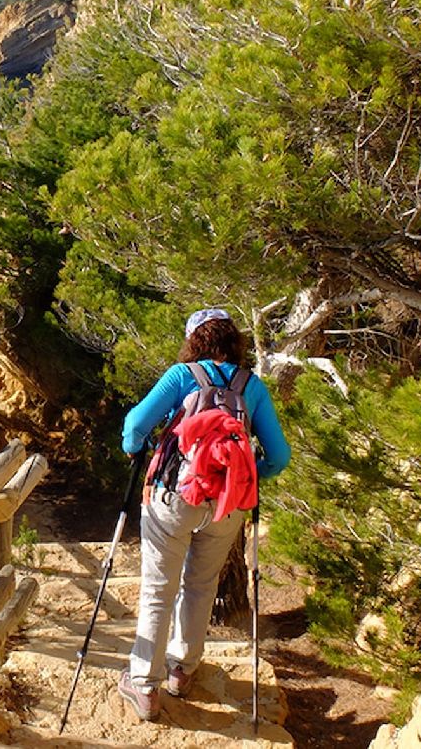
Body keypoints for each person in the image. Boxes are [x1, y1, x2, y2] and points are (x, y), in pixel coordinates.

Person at [116, 308, 290, 722]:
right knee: (201, 584)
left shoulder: (182, 376)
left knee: (158, 587)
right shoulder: (252, 386)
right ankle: (182, 670)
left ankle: (144, 685)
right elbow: (279, 456)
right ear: (234, 341)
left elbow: (136, 423)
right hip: (227, 503)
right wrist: (250, 474)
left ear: (194, 340)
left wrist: (132, 448)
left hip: (173, 496)